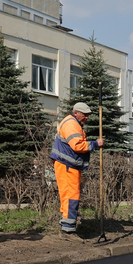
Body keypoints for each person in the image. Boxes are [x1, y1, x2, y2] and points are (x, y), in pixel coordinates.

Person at [50, 102, 104, 238]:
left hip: (67, 165)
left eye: (88, 115)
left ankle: (66, 224)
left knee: (68, 195)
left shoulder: (72, 123)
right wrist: (96, 144)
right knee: (71, 195)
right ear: (76, 113)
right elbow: (77, 145)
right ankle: (68, 229)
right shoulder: (71, 124)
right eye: (84, 114)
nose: (87, 117)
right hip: (67, 165)